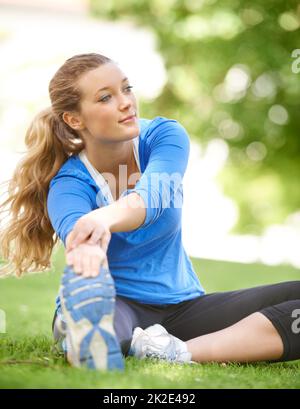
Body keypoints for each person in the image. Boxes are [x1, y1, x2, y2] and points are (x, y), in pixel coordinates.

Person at [0, 53, 299, 371]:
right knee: (102, 331)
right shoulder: (69, 184)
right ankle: (80, 328)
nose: (126, 102)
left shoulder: (164, 137)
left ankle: (175, 351)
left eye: (126, 89)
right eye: (106, 97)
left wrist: (101, 218)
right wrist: (87, 245)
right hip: (115, 303)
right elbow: (79, 235)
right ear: (74, 119)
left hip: (183, 309)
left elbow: (153, 196)